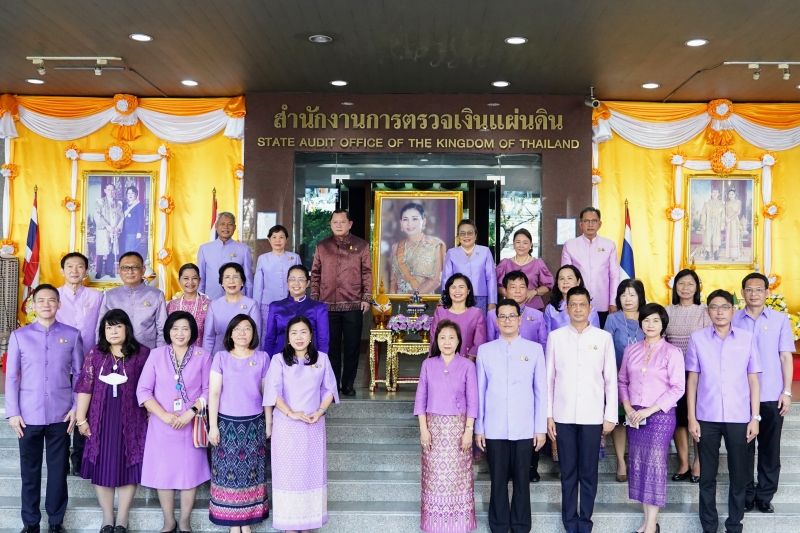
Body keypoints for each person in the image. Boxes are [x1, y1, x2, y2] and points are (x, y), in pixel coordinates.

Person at [5, 284, 83, 533]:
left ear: (59, 305)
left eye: (52, 300)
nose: (47, 304)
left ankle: (56, 522)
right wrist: (13, 412)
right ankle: (30, 523)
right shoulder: (20, 336)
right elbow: (11, 377)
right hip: (27, 415)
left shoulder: (72, 335)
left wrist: (75, 407)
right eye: (41, 300)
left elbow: (80, 376)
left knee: (59, 470)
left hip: (61, 414)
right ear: (33, 305)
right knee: (30, 471)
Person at [686, 289, 761, 533]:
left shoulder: (747, 338)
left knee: (739, 475)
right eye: (714, 307)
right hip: (706, 417)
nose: (719, 312)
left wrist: (755, 417)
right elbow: (693, 380)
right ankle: (709, 525)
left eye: (724, 307)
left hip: (739, 417)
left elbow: (753, 381)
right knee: (707, 475)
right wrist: (691, 417)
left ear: (733, 310)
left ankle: (734, 524)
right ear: (708, 311)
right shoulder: (697, 338)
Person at [546, 286, 617, 533]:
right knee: (568, 471)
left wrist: (610, 416)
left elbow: (610, 379)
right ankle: (569, 520)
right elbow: (549, 379)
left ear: (589, 308)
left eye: (582, 304)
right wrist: (549, 415)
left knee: (588, 472)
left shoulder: (602, 338)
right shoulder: (555, 337)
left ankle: (585, 521)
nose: (577, 308)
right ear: (566, 308)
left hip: (592, 415)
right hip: (563, 415)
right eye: (572, 304)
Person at [74, 309, 150, 533]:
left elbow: (149, 387)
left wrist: (150, 413)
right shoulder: (96, 354)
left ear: (127, 328)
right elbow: (85, 386)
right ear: (103, 331)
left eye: (118, 326)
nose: (113, 331)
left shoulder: (142, 353)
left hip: (132, 419)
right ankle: (108, 517)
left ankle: (123, 517)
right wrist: (81, 419)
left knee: (128, 465)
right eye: (109, 327)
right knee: (101, 466)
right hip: (101, 419)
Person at [475, 298, 546, 533]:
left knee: (522, 481)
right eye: (502, 316)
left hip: (525, 427)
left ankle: (521, 525)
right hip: (494, 428)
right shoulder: (485, 351)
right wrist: (479, 428)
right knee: (498, 481)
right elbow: (480, 392)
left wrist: (540, 428)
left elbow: (540, 392)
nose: (507, 320)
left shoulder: (534, 350)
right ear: (497, 322)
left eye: (511, 316)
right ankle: (498, 526)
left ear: (519, 320)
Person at [137, 312, 212, 533]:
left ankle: (185, 521)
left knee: (190, 474)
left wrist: (190, 413)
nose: (180, 333)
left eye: (185, 328)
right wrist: (163, 415)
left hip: (191, 424)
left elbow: (209, 390)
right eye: (175, 328)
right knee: (164, 473)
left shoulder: (203, 355)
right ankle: (169, 521)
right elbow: (143, 390)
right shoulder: (156, 355)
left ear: (193, 332)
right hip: (162, 425)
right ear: (168, 331)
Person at [263, 317, 339, 532]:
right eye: (294, 332)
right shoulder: (279, 360)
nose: (299, 337)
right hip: (286, 426)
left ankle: (307, 524)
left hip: (313, 425)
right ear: (287, 337)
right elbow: (272, 391)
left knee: (310, 476)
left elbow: (329, 390)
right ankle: (290, 525)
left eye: (303, 332)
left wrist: (321, 411)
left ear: (311, 336)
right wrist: (290, 412)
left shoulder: (322, 358)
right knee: (288, 478)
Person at [618, 303, 685, 533]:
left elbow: (678, 388)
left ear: (663, 324)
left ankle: (650, 525)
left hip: (660, 416)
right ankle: (648, 521)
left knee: (655, 466)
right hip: (634, 415)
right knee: (639, 465)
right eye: (646, 320)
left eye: (655, 320)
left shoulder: (672, 352)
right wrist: (627, 407)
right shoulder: (631, 350)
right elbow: (621, 381)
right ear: (641, 323)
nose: (650, 324)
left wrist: (649, 410)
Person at [733, 273, 795, 513]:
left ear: (768, 293)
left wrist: (787, 391)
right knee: (743, 448)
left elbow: (785, 356)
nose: (754, 293)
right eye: (749, 289)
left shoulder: (780, 320)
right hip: (742, 394)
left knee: (770, 448)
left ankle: (765, 495)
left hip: (771, 394)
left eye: (759, 289)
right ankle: (747, 494)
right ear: (742, 293)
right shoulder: (734, 319)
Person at [415, 319, 478, 533]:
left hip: (458, 429)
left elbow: (473, 401)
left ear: (459, 340)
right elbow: (421, 399)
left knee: (459, 478)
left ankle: (458, 526)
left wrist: (468, 431)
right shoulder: (428, 364)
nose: (447, 342)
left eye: (452, 337)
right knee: (434, 477)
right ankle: (435, 526)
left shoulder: (468, 365)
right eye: (442, 337)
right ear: (436, 340)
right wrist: (424, 429)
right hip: (434, 429)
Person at [208, 315, 270, 529]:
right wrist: (213, 426)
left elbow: (266, 394)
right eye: (237, 328)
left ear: (253, 333)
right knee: (227, 474)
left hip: (254, 426)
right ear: (230, 333)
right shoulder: (221, 358)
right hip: (227, 426)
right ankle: (234, 523)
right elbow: (214, 393)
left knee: (252, 474)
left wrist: (269, 424)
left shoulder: (263, 358)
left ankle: (247, 522)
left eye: (247, 328)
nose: (242, 333)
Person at [486, 271, 547, 482]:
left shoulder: (537, 315)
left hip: (528, 371)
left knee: (527, 422)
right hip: (501, 372)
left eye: (522, 286)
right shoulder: (494, 316)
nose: (518, 290)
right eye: (513, 286)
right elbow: (491, 341)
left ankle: (531, 466)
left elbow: (544, 343)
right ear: (505, 289)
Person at [310, 209, 372, 396]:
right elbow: (315, 274)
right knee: (331, 348)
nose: (338, 225)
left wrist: (367, 297)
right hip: (327, 304)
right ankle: (333, 384)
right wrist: (314, 298)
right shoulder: (322, 246)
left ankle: (348, 384)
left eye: (342, 222)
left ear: (349, 224)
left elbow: (367, 273)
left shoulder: (361, 246)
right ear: (330, 224)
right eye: (335, 222)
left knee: (353, 347)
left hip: (353, 303)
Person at [56, 252, 103, 475]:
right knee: (63, 409)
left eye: (80, 266)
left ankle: (80, 457)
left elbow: (99, 330)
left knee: (85, 408)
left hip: (88, 363)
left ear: (86, 271)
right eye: (70, 266)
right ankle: (61, 456)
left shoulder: (97, 296)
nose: (75, 271)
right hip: (59, 364)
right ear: (62, 270)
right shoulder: (52, 296)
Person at [665, 268, 711, 483]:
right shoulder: (667, 310)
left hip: (699, 373)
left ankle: (698, 462)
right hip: (672, 375)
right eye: (681, 283)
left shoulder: (704, 311)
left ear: (697, 287)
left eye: (690, 283)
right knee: (679, 420)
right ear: (675, 287)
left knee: (697, 418)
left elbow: (710, 343)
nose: (685, 288)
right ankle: (683, 462)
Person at [603, 278, 646, 483]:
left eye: (632, 294)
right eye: (623, 294)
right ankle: (621, 462)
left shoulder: (648, 316)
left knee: (640, 421)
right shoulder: (613, 319)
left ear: (640, 297)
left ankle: (638, 462)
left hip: (645, 381)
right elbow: (607, 348)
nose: (627, 299)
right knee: (620, 422)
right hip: (619, 378)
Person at [561, 207, 619, 326]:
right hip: (577, 304)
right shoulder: (570, 245)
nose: (590, 224)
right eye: (587, 221)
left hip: (604, 304)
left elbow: (614, 276)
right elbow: (566, 277)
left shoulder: (609, 245)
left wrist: (613, 302)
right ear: (581, 224)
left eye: (594, 221)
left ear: (600, 224)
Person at [98, 251, 167, 349]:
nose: (130, 272)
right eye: (125, 268)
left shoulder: (156, 295)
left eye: (135, 267)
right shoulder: (110, 296)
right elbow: (101, 328)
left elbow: (162, 329)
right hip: (117, 353)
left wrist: (159, 355)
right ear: (119, 270)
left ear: (143, 269)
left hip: (148, 353)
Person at [262, 264, 329, 355]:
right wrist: (268, 362)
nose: (296, 283)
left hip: (310, 359)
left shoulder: (319, 308)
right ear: (287, 282)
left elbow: (323, 340)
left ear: (307, 283)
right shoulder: (275, 306)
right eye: (292, 279)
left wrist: (320, 362)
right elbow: (270, 338)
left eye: (301, 279)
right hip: (280, 357)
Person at [253, 224, 301, 338]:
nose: (277, 240)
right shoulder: (263, 258)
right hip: (267, 304)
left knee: (289, 334)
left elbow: (300, 282)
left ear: (287, 239)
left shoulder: (294, 258)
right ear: (269, 239)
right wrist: (256, 307)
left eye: (281, 237)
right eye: (274, 237)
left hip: (290, 303)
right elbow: (258, 286)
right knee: (267, 335)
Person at [203, 262, 261, 356]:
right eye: (227, 277)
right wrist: (206, 360)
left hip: (244, 357)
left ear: (242, 281)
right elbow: (208, 337)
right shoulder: (214, 305)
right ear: (221, 282)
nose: (231, 281)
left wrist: (254, 360)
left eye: (236, 277)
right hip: (218, 357)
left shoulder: (251, 305)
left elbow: (256, 336)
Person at [389, 202, 445, 294]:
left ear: (424, 221)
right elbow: (393, 281)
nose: (410, 223)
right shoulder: (396, 247)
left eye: (414, 219)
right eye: (405, 219)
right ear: (401, 223)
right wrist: (392, 303)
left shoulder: (434, 245)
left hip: (423, 301)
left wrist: (411, 298)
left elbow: (435, 281)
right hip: (399, 301)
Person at [442, 219, 497, 314]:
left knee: (480, 326)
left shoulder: (485, 251)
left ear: (475, 235)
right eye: (462, 233)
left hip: (480, 298)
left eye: (470, 233)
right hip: (458, 298)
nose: (466, 236)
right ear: (458, 236)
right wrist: (445, 300)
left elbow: (491, 277)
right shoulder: (451, 253)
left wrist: (492, 302)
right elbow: (446, 279)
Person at [430, 274, 486, 361]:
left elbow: (479, 343)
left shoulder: (476, 313)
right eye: (453, 287)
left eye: (461, 287)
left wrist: (466, 364)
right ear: (448, 291)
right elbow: (434, 340)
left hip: (467, 362)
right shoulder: (440, 312)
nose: (457, 291)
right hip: (441, 362)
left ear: (468, 291)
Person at [198, 212, 254, 299]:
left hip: (237, 300)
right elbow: (201, 279)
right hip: (211, 299)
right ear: (216, 226)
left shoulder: (244, 249)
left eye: (230, 224)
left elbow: (248, 281)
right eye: (222, 224)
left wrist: (249, 302)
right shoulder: (204, 249)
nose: (226, 227)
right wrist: (200, 302)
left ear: (234, 227)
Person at [495, 228, 553, 310]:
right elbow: (496, 285)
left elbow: (548, 285)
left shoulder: (538, 263)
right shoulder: (505, 263)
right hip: (511, 307)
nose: (521, 246)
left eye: (525, 242)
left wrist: (534, 292)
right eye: (518, 242)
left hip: (533, 307)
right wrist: (508, 293)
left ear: (530, 245)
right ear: (513, 244)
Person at [543, 265, 600, 334]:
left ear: (578, 281)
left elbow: (595, 332)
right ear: (557, 283)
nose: (565, 282)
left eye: (569, 278)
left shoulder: (589, 304)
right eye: (561, 278)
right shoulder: (551, 307)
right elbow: (547, 335)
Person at [166, 263, 211, 347]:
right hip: (176, 354)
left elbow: (212, 335)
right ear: (179, 280)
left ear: (199, 280)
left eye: (194, 278)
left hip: (201, 355)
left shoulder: (210, 305)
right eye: (186, 278)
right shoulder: (171, 306)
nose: (190, 282)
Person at [95, 181, 123, 280]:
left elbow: (121, 217)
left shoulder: (118, 203)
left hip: (114, 231)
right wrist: (107, 226)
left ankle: (109, 270)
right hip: (104, 230)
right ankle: (98, 272)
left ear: (115, 191)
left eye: (112, 190)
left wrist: (118, 228)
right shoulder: (100, 202)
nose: (111, 192)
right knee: (102, 250)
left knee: (112, 251)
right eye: (109, 189)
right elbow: (98, 215)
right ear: (105, 191)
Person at [698, 188, 724, 261]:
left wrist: (722, 224)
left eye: (716, 192)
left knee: (716, 238)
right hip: (708, 222)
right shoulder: (707, 203)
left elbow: (723, 215)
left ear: (718, 194)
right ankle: (707, 253)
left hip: (717, 223)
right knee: (708, 237)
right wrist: (703, 224)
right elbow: (703, 213)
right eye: (713, 192)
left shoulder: (721, 203)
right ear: (711, 194)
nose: (715, 194)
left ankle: (716, 253)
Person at [120, 186, 145, 255]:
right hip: (124, 231)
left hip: (133, 232)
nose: (130, 195)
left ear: (136, 194)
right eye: (128, 193)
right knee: (125, 250)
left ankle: (132, 265)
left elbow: (140, 218)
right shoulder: (125, 205)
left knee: (131, 250)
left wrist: (139, 232)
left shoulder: (139, 205)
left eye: (132, 193)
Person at [725, 188, 745, 260]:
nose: (731, 195)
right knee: (729, 236)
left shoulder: (738, 202)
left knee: (734, 236)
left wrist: (730, 218)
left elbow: (738, 212)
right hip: (728, 221)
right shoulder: (727, 203)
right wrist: (727, 218)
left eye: (732, 194)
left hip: (734, 220)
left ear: (735, 194)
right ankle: (729, 255)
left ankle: (734, 255)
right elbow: (726, 212)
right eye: (729, 194)